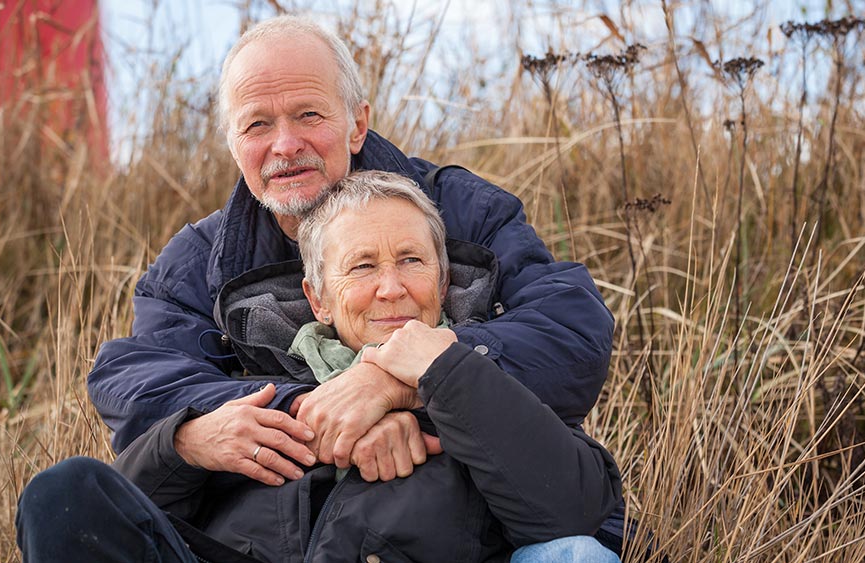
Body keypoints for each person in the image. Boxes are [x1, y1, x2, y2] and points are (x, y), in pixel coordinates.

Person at [83, 11, 624, 551]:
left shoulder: (464, 212)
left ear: (357, 123)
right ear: (233, 144)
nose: (285, 144)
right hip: (272, 533)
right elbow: (139, 383)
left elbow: (570, 332)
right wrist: (318, 411)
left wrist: (399, 383)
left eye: (309, 114)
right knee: (69, 497)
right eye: (257, 125)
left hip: (461, 527)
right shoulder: (198, 260)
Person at [17, 171, 621, 562]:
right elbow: (140, 524)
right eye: (362, 267)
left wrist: (429, 379)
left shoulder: (482, 383)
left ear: (441, 280)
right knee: (62, 493)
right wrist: (184, 444)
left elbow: (575, 514)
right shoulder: (256, 383)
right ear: (317, 298)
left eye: (411, 260)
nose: (391, 288)